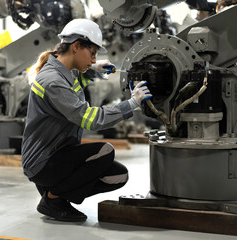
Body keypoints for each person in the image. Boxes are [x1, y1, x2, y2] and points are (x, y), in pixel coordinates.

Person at [21, 18, 152, 222]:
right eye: (92, 53)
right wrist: (131, 104)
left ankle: (56, 195)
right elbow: (91, 119)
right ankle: (53, 199)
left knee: (118, 176)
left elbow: (73, 85)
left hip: (59, 157)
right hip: (43, 162)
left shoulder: (62, 74)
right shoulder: (53, 81)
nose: (93, 58)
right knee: (105, 151)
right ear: (75, 46)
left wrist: (93, 69)